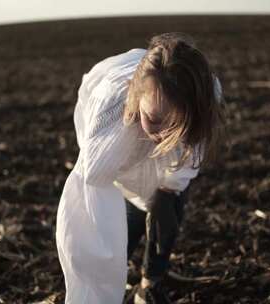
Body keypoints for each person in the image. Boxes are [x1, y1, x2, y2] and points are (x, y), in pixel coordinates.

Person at [55, 32, 223, 304]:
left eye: (175, 126)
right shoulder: (109, 113)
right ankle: (120, 269)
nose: (161, 136)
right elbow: (92, 195)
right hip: (119, 134)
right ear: (137, 96)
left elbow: (191, 151)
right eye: (155, 121)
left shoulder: (203, 95)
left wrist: (169, 191)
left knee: (168, 209)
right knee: (123, 214)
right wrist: (96, 281)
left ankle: (150, 284)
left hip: (159, 122)